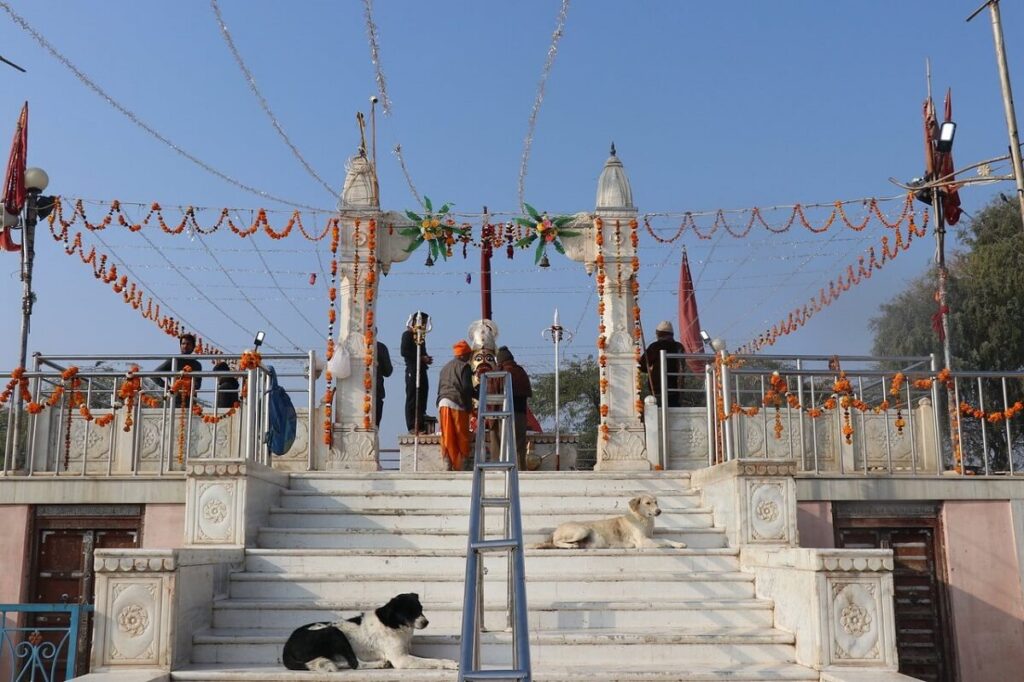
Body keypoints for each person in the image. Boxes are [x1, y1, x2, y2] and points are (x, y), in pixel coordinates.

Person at [436, 340, 474, 472]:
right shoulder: (465, 367)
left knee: (447, 435)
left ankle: (447, 463)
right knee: (460, 435)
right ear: (464, 355)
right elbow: (466, 388)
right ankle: (460, 465)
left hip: (442, 403)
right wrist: (471, 405)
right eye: (469, 355)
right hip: (457, 404)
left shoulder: (445, 367)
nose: (470, 358)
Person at [497, 346, 532, 469]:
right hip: (521, 413)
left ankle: (505, 469)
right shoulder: (520, 371)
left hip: (505, 413)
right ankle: (521, 469)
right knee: (519, 444)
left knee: (505, 444)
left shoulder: (501, 372)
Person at [639, 321, 687, 407]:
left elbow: (642, 365)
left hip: (658, 390)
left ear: (658, 334)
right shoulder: (679, 347)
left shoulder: (655, 346)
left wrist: (650, 369)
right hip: (676, 390)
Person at [401, 312, 433, 433]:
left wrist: (426, 358)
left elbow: (421, 352)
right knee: (413, 396)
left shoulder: (421, 337)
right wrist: (420, 358)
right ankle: (411, 425)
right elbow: (404, 352)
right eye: (422, 322)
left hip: (422, 369)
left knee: (423, 394)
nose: (423, 325)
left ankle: (420, 421)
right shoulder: (408, 335)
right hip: (412, 369)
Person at [155, 333, 203, 406]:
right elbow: (154, 375)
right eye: (183, 344)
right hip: (173, 400)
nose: (185, 346)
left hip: (190, 402)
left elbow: (198, 385)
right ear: (180, 346)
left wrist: (188, 384)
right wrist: (168, 387)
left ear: (193, 347)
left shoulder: (197, 365)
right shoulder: (173, 361)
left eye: (188, 344)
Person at [375, 339, 393, 427]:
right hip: (376, 392)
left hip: (351, 396)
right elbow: (388, 371)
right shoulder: (380, 347)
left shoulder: (348, 346)